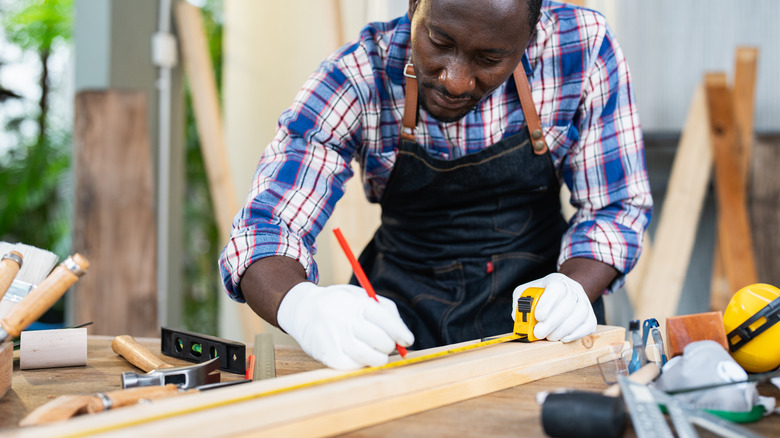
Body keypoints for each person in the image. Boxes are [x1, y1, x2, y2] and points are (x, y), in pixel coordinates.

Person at [220, 0, 652, 370]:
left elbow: (616, 207)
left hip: (539, 319)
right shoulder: (358, 76)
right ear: (413, 7)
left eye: (488, 59)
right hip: (401, 316)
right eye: (440, 43)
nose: (455, 80)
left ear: (530, 37)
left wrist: (573, 287)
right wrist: (301, 306)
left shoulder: (582, 46)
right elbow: (265, 228)